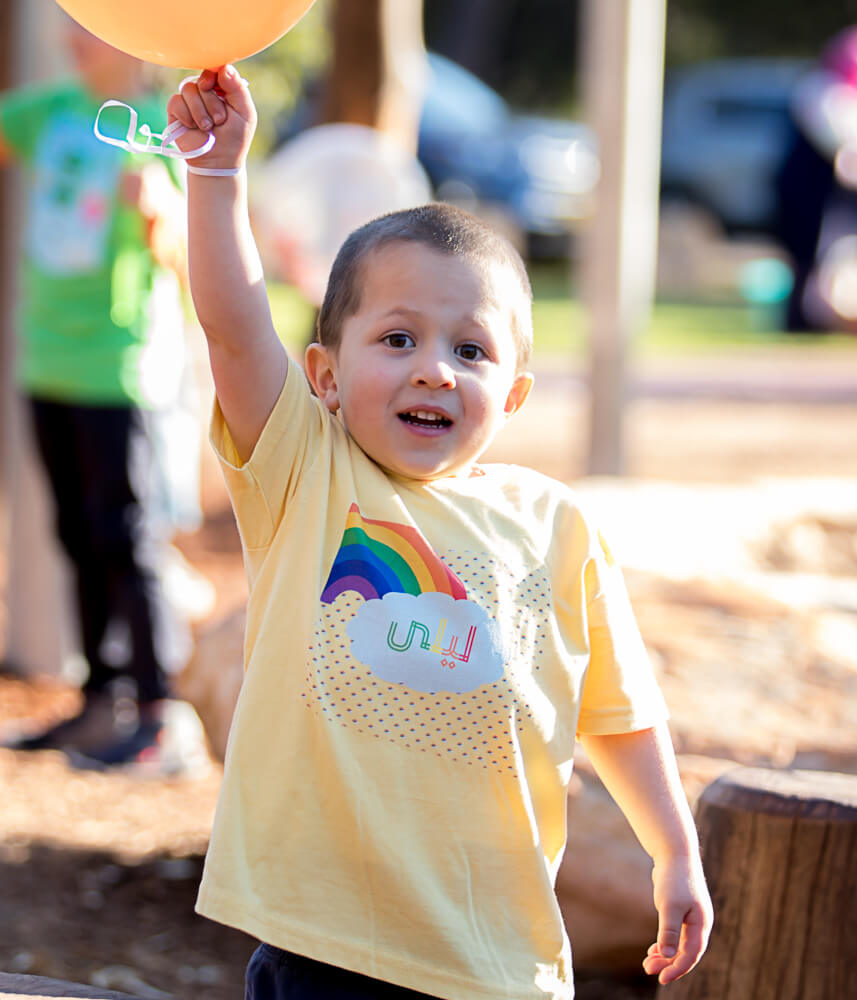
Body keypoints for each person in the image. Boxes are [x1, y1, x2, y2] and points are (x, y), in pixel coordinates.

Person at [168, 66, 713, 999]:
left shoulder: (557, 525)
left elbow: (619, 712)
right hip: (327, 947)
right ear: (325, 376)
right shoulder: (310, 472)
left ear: (514, 393)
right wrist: (216, 175)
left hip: (498, 960)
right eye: (396, 339)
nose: (434, 370)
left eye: (471, 349)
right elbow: (231, 330)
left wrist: (674, 851)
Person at [0, 21, 194, 768]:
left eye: (92, 25)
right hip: (44, 361)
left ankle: (157, 711)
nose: (73, 37)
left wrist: (157, 214)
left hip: (119, 370)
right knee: (77, 537)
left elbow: (183, 256)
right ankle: (99, 701)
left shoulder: (159, 131)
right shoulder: (46, 110)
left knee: (127, 537)